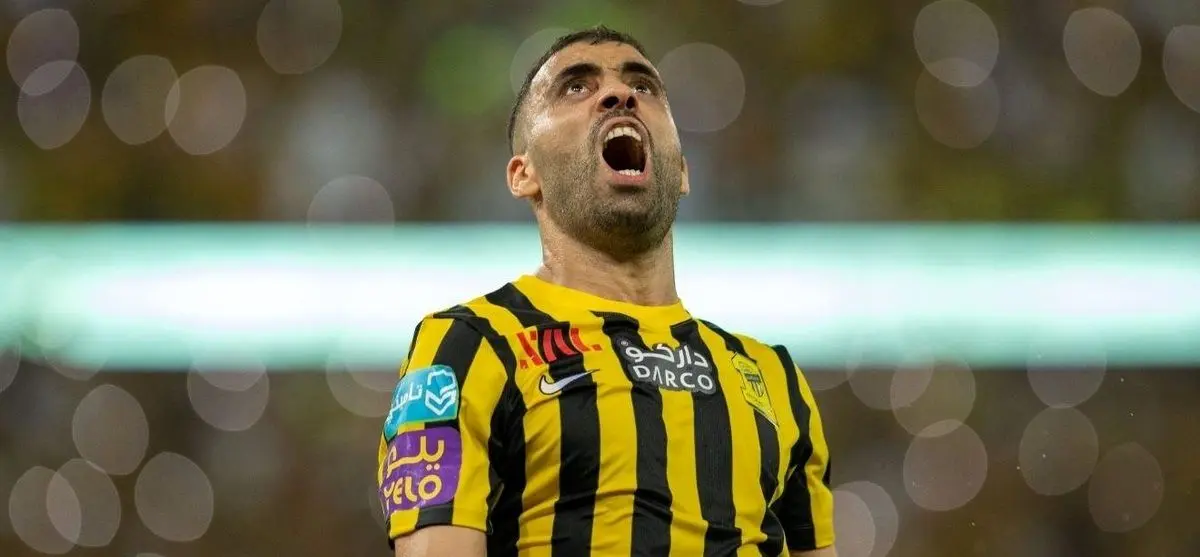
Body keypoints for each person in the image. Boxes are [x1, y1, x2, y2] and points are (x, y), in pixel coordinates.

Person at [376, 25, 836, 557]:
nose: (620, 94)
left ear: (681, 170)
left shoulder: (775, 379)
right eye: (576, 86)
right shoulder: (467, 348)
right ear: (524, 174)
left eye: (643, 86)